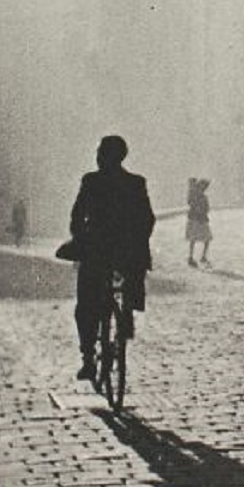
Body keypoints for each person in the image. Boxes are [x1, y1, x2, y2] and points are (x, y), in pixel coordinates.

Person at [67, 136, 156, 381]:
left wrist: (79, 238)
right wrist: (138, 242)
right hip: (126, 253)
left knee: (85, 305)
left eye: (100, 152)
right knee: (132, 276)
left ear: (105, 156)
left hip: (96, 251)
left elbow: (77, 215)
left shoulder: (91, 181)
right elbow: (147, 219)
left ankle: (88, 359)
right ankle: (126, 311)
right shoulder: (136, 183)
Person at [186, 177, 212, 269]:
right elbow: (206, 208)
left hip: (196, 219)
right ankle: (200, 257)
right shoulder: (199, 196)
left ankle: (193, 257)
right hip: (199, 219)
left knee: (196, 239)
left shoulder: (195, 196)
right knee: (204, 238)